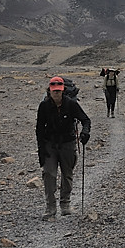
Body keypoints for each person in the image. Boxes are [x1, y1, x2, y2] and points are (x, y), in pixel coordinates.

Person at [35, 75, 91, 220]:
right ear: (50, 91)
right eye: (54, 91)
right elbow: (39, 129)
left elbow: (85, 120)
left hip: (67, 144)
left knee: (67, 175)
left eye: (59, 91)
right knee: (49, 174)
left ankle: (65, 204)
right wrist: (41, 149)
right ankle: (50, 208)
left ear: (63, 91)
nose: (56, 94)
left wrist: (85, 132)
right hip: (50, 145)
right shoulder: (44, 106)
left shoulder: (71, 104)